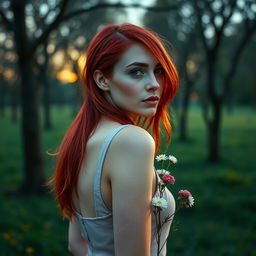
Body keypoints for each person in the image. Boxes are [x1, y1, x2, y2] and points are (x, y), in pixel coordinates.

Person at [48, 23, 179, 256]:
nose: (154, 84)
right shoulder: (132, 141)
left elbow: (76, 244)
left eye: (158, 70)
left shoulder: (83, 139)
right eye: (136, 71)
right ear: (102, 80)